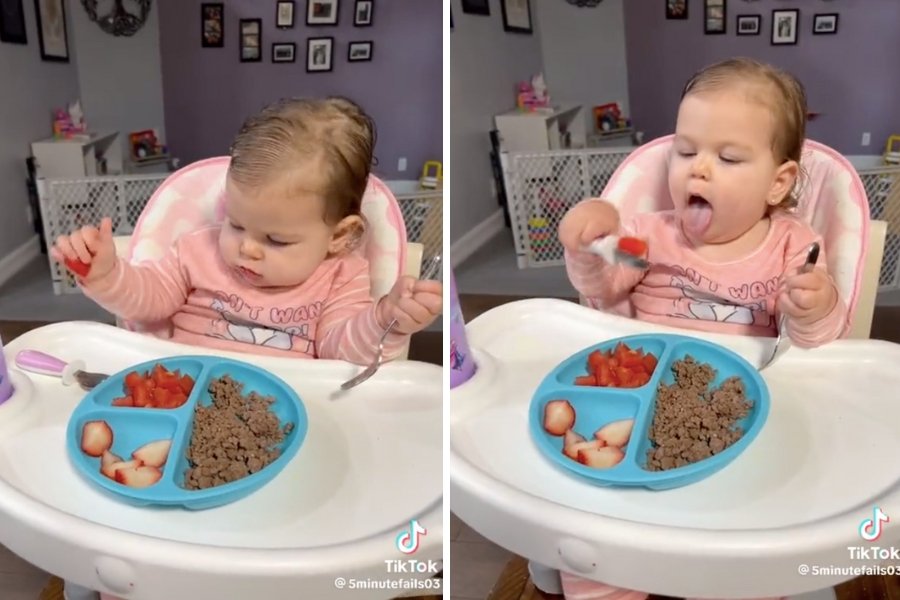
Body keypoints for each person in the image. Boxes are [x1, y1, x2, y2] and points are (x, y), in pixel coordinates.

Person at [52, 96, 443, 600]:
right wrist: (106, 275)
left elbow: (343, 345)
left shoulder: (341, 275)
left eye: (277, 240)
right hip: (180, 405)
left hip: (286, 425)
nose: (247, 249)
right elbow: (148, 303)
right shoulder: (196, 251)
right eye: (236, 225)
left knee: (297, 538)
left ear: (340, 236)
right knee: (133, 535)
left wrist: (385, 317)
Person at [556, 57, 847, 600]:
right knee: (593, 541)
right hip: (640, 399)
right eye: (685, 151)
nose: (698, 169)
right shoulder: (649, 234)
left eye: (728, 157)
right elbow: (604, 288)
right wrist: (589, 244)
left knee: (754, 547)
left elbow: (815, 344)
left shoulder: (792, 245)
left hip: (743, 411)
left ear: (778, 181)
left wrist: (815, 304)